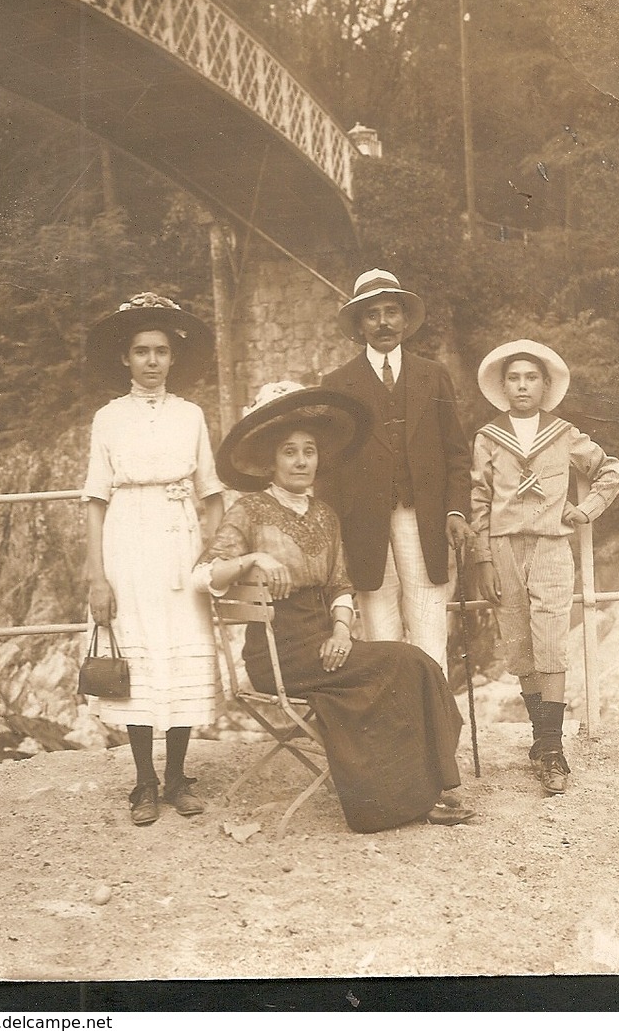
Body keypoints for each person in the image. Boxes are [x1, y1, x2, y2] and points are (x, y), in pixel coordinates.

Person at [193, 381, 475, 834]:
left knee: (411, 664)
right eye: (289, 452)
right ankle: (411, 797)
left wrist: (342, 632)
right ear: (271, 460)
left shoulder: (324, 514)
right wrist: (252, 559)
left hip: (325, 643)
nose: (301, 460)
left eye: (309, 450)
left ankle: (415, 794)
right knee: (405, 661)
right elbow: (202, 575)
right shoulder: (248, 510)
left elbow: (342, 584)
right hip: (277, 652)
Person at [83, 292, 224, 826]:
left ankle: (177, 777)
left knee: (183, 650)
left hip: (180, 542)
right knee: (137, 661)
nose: (151, 361)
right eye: (141, 351)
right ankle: (144, 781)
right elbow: (95, 501)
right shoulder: (108, 419)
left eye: (161, 351)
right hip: (127, 542)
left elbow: (211, 493)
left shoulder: (191, 415)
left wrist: (211, 551)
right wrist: (98, 575)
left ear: (172, 357)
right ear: (126, 358)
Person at [471, 340, 619, 795]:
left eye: (530, 378)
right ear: (503, 386)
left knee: (552, 638)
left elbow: (610, 471)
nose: (522, 386)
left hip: (554, 546)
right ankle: (542, 741)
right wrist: (482, 558)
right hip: (502, 547)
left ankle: (551, 747)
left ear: (544, 385)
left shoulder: (563, 433)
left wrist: (585, 510)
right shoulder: (487, 438)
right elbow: (479, 501)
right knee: (518, 641)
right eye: (514, 378)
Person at [318, 269, 473, 674]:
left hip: (425, 519)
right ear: (359, 324)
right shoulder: (337, 383)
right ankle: (392, 726)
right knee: (380, 630)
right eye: (372, 314)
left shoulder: (433, 374)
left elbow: (457, 453)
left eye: (391, 312)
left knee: (428, 620)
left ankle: (433, 723)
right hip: (363, 525)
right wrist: (334, 532)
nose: (383, 322)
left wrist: (456, 511)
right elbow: (329, 469)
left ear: (405, 320)